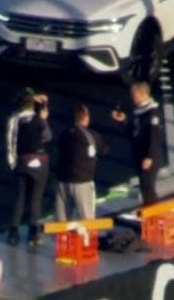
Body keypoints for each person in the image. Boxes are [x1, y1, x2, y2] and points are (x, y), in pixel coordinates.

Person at [6, 91, 52, 245]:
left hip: (23, 161)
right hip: (40, 161)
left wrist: (13, 163)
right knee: (36, 198)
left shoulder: (14, 119)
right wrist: (45, 120)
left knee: (20, 197)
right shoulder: (39, 119)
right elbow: (47, 137)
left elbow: (10, 141)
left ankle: (13, 232)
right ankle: (33, 234)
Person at [111, 81, 165, 206]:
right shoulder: (138, 112)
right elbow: (132, 133)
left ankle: (153, 213)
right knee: (144, 186)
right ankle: (150, 209)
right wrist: (123, 121)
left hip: (149, 157)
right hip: (140, 156)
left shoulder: (152, 112)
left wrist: (149, 156)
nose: (132, 97)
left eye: (133, 94)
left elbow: (154, 136)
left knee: (148, 186)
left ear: (141, 94)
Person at [55, 103, 108, 221]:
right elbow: (103, 150)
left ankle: (63, 238)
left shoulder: (64, 134)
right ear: (85, 117)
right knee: (87, 219)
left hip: (63, 180)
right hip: (83, 181)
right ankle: (87, 239)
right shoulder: (91, 134)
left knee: (62, 220)